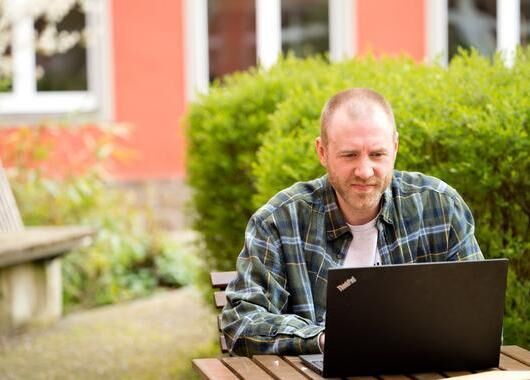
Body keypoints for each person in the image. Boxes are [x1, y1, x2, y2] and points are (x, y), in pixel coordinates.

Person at [221, 88, 484, 356]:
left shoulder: (440, 207)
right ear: (322, 152)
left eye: (378, 154)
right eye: (350, 155)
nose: (365, 171)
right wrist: (324, 340)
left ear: (395, 148)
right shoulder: (279, 221)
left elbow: (478, 314)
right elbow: (241, 322)